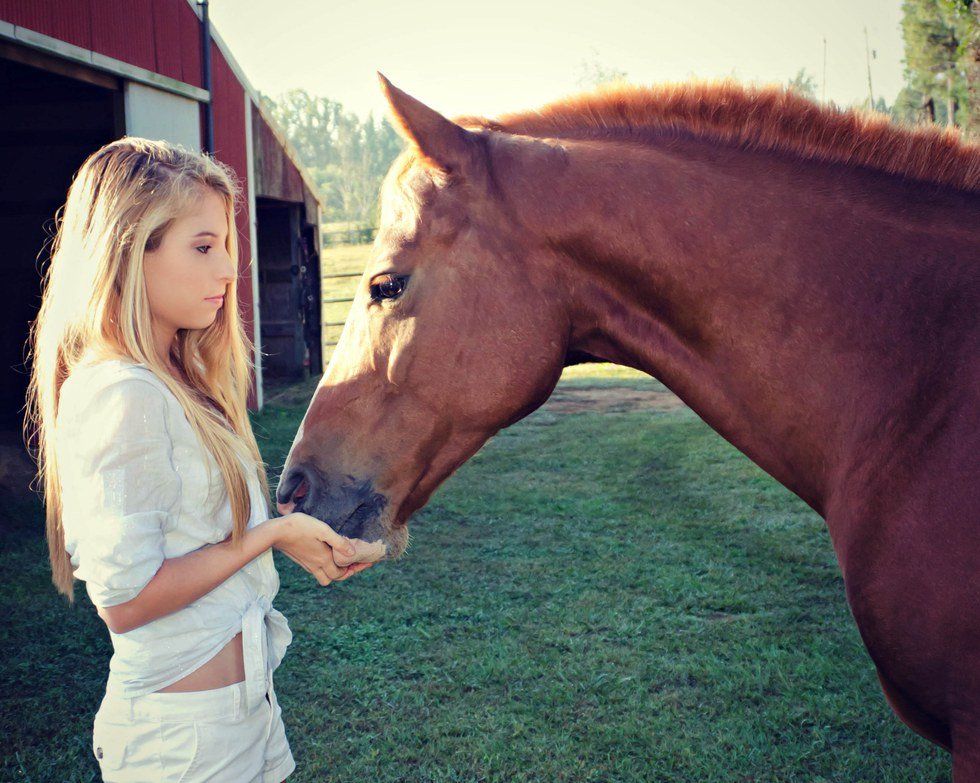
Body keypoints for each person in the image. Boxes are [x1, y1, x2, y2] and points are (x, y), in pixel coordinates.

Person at [24, 137, 377, 782]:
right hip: (182, 746)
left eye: (226, 248)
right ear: (132, 249)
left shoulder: (176, 380)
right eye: (203, 247)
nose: (227, 272)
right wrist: (270, 535)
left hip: (239, 714)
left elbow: (199, 531)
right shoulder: (123, 392)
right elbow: (126, 601)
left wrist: (300, 532)